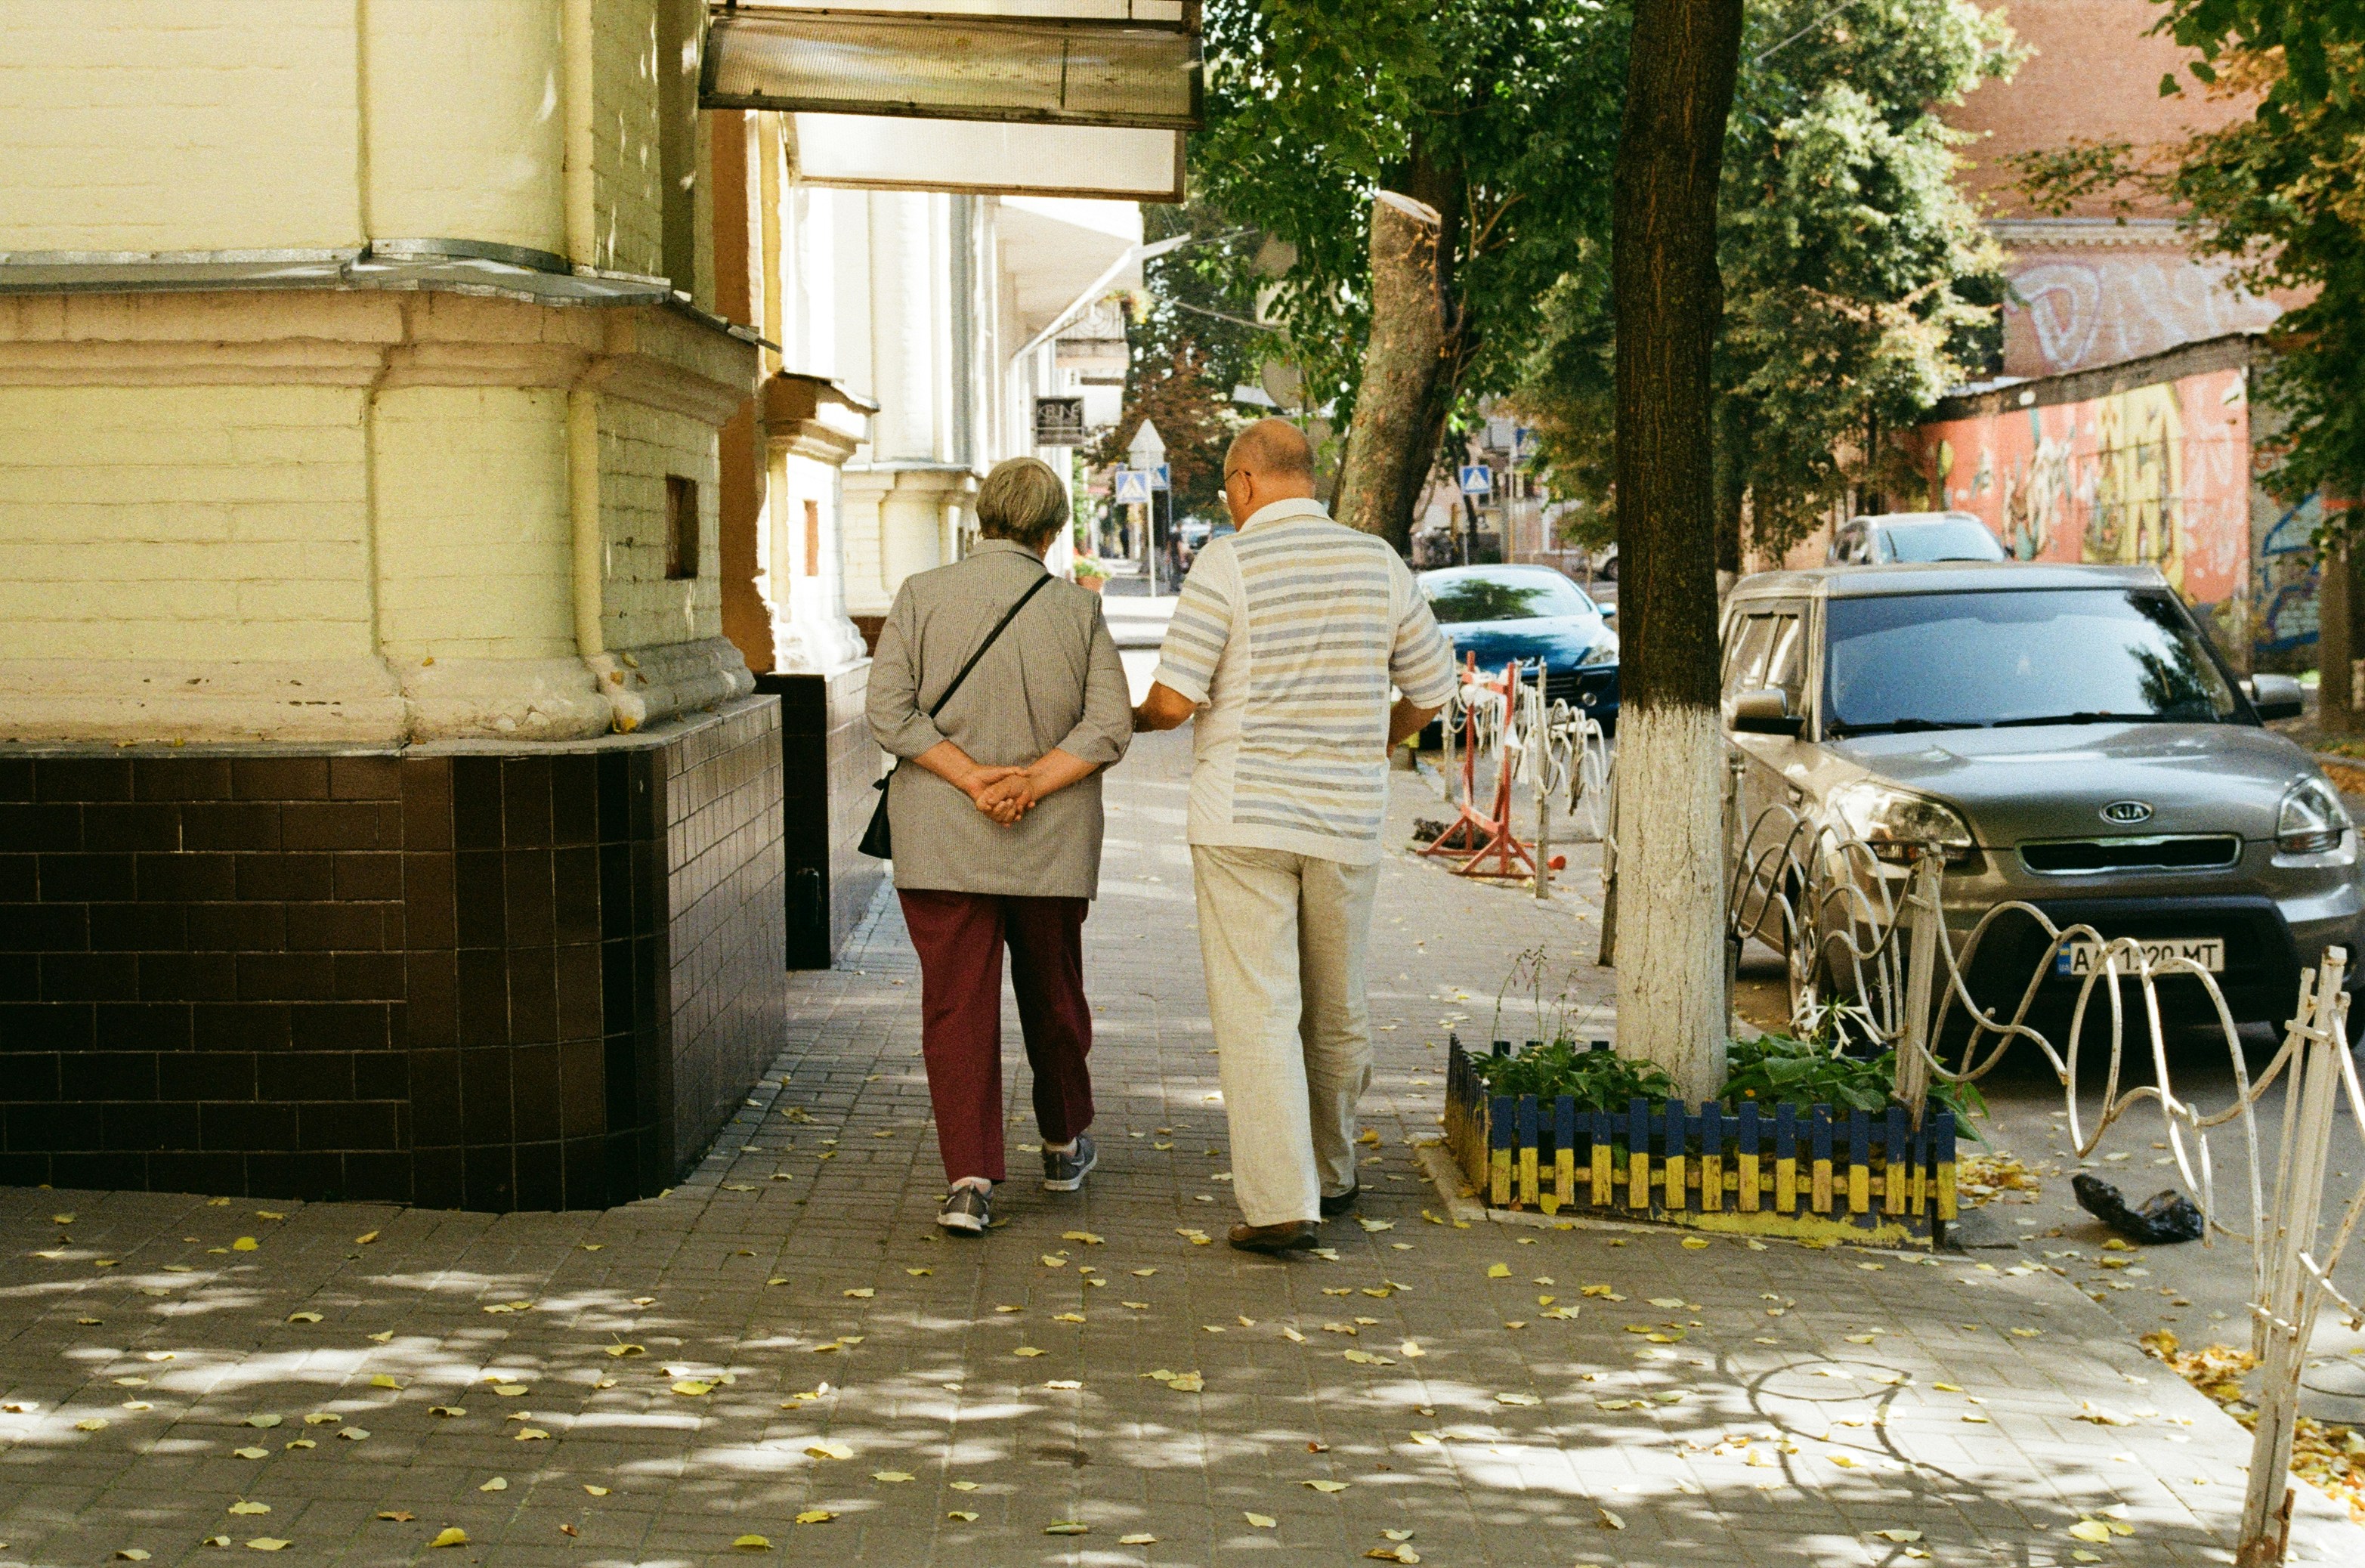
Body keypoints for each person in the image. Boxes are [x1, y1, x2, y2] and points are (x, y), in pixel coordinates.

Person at [1134, 419, 1457, 1253]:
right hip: (1345, 818)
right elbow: (1431, 687)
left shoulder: (1226, 563)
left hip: (1243, 817)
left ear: (1243, 482)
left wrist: (1121, 718)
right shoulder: (1378, 562)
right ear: (1305, 478)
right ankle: (1335, 1172)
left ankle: (1282, 1202)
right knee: (1337, 1001)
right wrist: (1371, 737)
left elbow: (1171, 702)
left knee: (1259, 1008)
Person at [868, 456, 1133, 1236]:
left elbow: (888, 712)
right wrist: (1030, 785)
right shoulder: (1078, 612)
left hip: (942, 835)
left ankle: (970, 1180)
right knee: (1054, 996)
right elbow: (1109, 725)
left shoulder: (920, 595)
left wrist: (974, 779)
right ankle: (1060, 1141)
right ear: (1053, 532)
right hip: (1048, 842)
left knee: (956, 1006)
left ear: (981, 518)